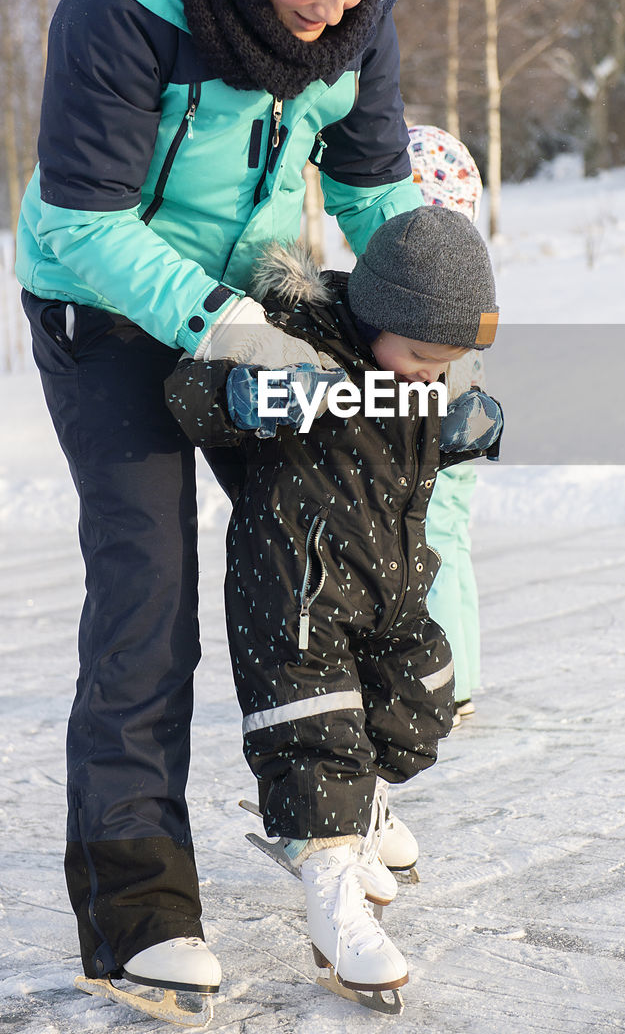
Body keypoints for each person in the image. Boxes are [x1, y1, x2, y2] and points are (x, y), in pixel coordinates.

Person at [14, 0, 428, 1007]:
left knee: (321, 548)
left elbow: (368, 182)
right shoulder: (128, 0)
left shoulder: (353, 14)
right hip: (105, 309)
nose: (332, 10)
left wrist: (426, 292)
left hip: (251, 300)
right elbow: (80, 218)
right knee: (150, 587)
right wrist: (219, 319)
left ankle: (331, 822)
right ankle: (135, 903)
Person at [165, 205, 503, 998]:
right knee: (316, 748)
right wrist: (249, 398)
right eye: (425, 356)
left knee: (419, 710)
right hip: (296, 591)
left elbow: (421, 439)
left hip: (391, 588)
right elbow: (188, 393)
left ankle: (362, 812)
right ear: (380, 315)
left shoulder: (413, 368)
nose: (433, 373)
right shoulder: (297, 341)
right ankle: (333, 896)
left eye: (450, 363)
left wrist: (466, 423)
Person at [407, 124, 489, 725]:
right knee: (450, 540)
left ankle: (445, 680)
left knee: (431, 541)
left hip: (441, 428)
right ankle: (462, 674)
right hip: (468, 422)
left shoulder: (423, 283)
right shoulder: (470, 272)